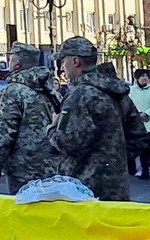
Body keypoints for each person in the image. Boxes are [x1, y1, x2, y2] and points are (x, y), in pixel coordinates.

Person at [48, 38, 133, 201]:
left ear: (75, 61)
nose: (62, 67)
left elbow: (68, 142)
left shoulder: (78, 96)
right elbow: (138, 137)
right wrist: (114, 160)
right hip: (117, 185)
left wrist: (52, 127)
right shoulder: (118, 91)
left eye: (63, 61)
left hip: (83, 189)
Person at [0, 45, 63, 194]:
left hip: (24, 169)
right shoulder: (52, 92)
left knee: (24, 206)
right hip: (54, 167)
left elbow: (2, 135)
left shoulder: (12, 92)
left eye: (10, 60)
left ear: (16, 64)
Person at [127, 71, 150, 181]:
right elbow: (129, 105)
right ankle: (144, 171)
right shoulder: (132, 90)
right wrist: (138, 115)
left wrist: (147, 113)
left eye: (146, 76)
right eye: (142, 76)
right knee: (142, 149)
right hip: (137, 124)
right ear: (137, 78)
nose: (145, 78)